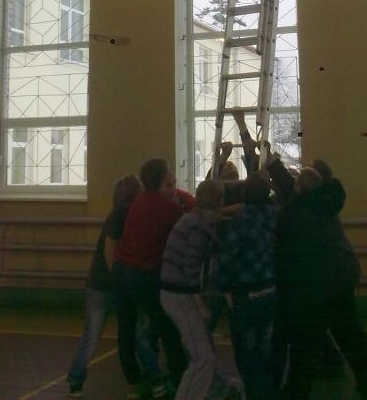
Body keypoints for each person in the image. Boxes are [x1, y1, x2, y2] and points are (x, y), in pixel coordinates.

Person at [275, 167, 367, 399]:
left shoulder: (299, 213)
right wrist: (275, 167)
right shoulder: (324, 203)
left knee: (304, 345)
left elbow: (285, 228)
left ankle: (296, 392)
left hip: (317, 286)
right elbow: (295, 191)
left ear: (300, 188)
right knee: (353, 336)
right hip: (340, 280)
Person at [66, 174, 163, 398]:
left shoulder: (122, 216)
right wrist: (120, 280)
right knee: (125, 334)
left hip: (105, 282)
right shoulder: (120, 217)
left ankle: (76, 380)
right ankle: (155, 377)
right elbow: (109, 252)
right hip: (109, 283)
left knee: (101, 335)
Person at [112, 159, 195, 397]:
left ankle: (135, 381)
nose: (173, 184)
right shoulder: (168, 208)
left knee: (127, 329)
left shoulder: (140, 200)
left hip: (122, 271)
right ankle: (180, 380)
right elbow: (189, 221)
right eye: (169, 181)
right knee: (167, 328)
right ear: (161, 181)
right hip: (142, 275)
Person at [160, 179, 240, 400]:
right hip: (179, 294)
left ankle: (215, 390)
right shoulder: (200, 229)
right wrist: (200, 305)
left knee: (202, 351)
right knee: (203, 357)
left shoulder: (193, 219)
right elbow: (190, 267)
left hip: (173, 291)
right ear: (220, 201)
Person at [218, 172, 277, 400]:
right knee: (265, 344)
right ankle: (268, 391)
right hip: (270, 287)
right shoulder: (276, 215)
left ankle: (255, 393)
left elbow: (227, 257)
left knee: (245, 349)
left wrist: (224, 288)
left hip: (245, 291)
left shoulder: (241, 221)